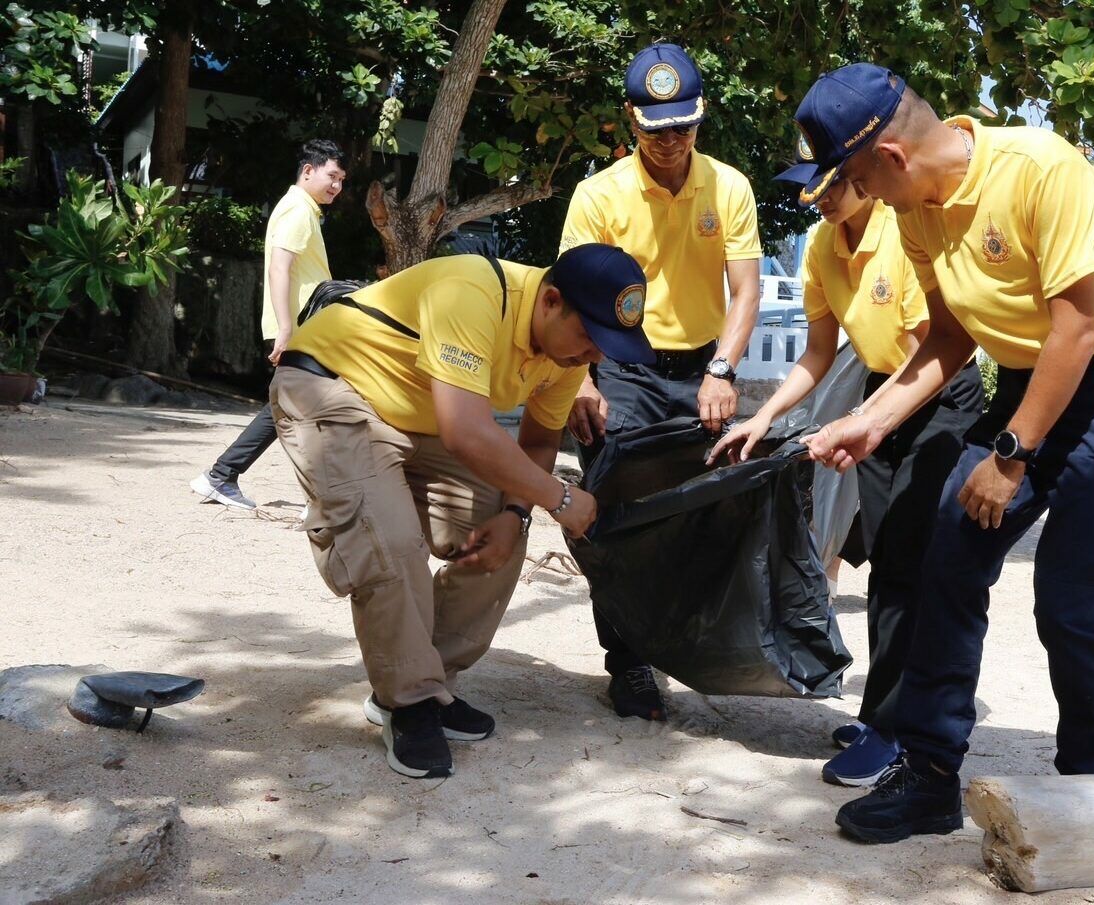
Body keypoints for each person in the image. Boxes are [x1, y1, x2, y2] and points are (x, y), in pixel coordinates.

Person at [791, 63, 1094, 843]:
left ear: (889, 160)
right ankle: (930, 773)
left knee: (1069, 602)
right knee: (947, 550)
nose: (855, 197)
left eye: (856, 178)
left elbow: (1079, 328)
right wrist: (870, 418)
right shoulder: (917, 208)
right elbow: (948, 336)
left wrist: (1007, 458)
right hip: (1029, 377)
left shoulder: (1038, 168)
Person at [270, 244, 654, 778]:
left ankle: (425, 682)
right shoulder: (474, 291)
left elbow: (539, 440)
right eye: (589, 337)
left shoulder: (565, 355)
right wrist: (562, 499)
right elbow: (466, 432)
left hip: (417, 418)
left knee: (502, 523)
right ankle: (407, 701)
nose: (594, 357)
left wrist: (517, 514)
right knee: (391, 542)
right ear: (550, 301)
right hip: (333, 390)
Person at [710, 172, 984, 786]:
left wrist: (862, 422)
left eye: (831, 183)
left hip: (936, 400)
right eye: (811, 186)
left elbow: (929, 352)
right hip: (877, 397)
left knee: (912, 564)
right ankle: (884, 718)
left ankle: (898, 731)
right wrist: (765, 417)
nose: (820, 196)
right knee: (889, 564)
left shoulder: (902, 231)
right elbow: (817, 353)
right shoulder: (821, 245)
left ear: (863, 177)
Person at [559, 42, 762, 723]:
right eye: (656, 129)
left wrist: (723, 368)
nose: (671, 142)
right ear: (630, 121)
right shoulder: (599, 195)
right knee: (616, 516)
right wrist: (578, 382)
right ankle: (628, 661)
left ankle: (692, 645)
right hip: (621, 366)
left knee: (701, 512)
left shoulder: (729, 186)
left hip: (700, 368)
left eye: (683, 127)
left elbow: (745, 291)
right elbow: (570, 298)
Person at [191, 139, 345, 510]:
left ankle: (222, 475)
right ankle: (315, 497)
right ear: (308, 171)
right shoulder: (298, 210)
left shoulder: (299, 207)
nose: (337, 186)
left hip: (305, 327)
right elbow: (280, 267)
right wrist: (288, 328)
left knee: (291, 407)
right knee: (316, 407)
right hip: (302, 328)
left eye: (342, 180)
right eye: (332, 176)